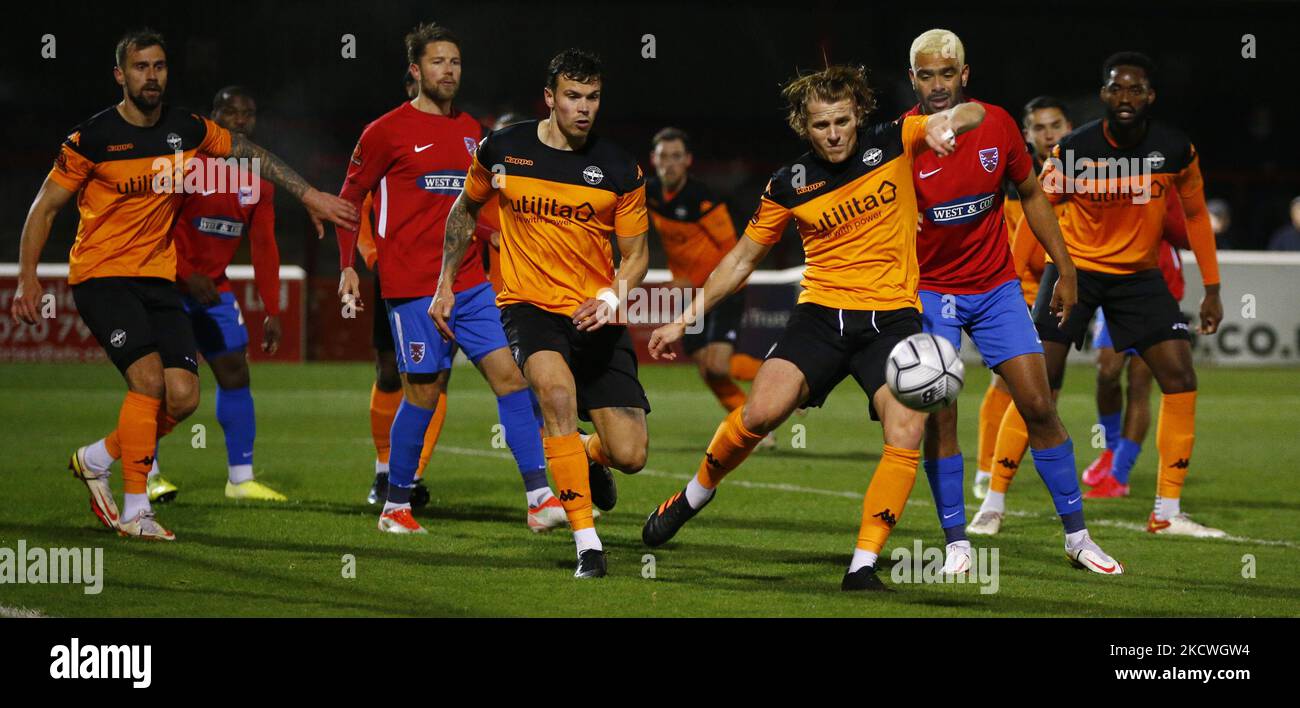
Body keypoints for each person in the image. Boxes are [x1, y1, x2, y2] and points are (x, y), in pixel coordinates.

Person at [641, 63, 989, 592]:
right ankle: (694, 494)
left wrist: (948, 124)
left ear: (858, 117)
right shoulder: (790, 183)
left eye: (842, 122)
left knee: (907, 428)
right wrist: (687, 316)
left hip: (891, 319)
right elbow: (740, 260)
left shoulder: (894, 140)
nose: (833, 134)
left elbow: (972, 110)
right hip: (821, 315)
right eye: (821, 125)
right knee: (760, 412)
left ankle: (863, 565)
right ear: (805, 127)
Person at [13, 29, 356, 540]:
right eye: (140, 67)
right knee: (148, 382)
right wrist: (27, 279)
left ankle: (97, 457)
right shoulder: (92, 138)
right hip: (103, 276)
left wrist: (308, 195)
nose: (151, 76)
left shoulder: (187, 130)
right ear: (120, 75)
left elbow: (248, 151)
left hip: (157, 277)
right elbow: (44, 209)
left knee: (183, 396)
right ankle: (135, 511)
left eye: (159, 66)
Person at [904, 30, 1121, 574]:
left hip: (996, 289)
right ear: (913, 80)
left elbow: (1031, 193)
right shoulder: (903, 140)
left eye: (946, 74)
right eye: (926, 75)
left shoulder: (998, 124)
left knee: (1040, 406)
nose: (936, 85)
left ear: (964, 74)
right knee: (941, 415)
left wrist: (1065, 268)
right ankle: (956, 542)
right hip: (932, 293)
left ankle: (1077, 538)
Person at [335, 23, 561, 535]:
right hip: (412, 284)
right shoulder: (383, 132)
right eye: (438, 62)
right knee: (424, 390)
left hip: (469, 281)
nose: (449, 71)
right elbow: (349, 200)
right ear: (415, 70)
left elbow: (460, 206)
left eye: (455, 62)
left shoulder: (471, 130)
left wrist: (494, 233)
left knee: (511, 378)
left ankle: (540, 496)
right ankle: (395, 506)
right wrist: (348, 264)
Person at [433, 48, 652, 578]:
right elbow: (464, 210)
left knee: (630, 454)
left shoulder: (620, 168)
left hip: (594, 315)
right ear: (550, 98)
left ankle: (585, 452)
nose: (584, 107)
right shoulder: (503, 149)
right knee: (555, 395)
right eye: (573, 96)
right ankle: (588, 545)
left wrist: (610, 298)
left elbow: (638, 255)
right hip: (528, 307)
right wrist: (445, 285)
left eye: (593, 97)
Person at [1034, 52, 1226, 538]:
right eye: (1116, 89)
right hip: (1076, 270)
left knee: (1180, 376)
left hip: (1139, 277)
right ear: (1102, 94)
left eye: (1135, 89)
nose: (1125, 98)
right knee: (1036, 381)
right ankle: (993, 503)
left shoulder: (1175, 147)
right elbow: (1038, 206)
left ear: (1150, 97)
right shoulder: (1073, 150)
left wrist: (1213, 288)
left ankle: (1166, 512)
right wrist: (1032, 271)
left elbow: (1198, 216)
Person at [154, 85, 288, 504]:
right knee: (164, 386)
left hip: (215, 290)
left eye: (249, 113)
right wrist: (186, 273)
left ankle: (240, 479)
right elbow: (151, 228)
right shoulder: (187, 164)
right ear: (214, 118)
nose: (243, 120)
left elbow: (265, 245)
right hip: (165, 286)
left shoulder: (258, 177)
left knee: (235, 373)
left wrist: (271, 307)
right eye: (232, 112)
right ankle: (146, 473)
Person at [970, 95, 1072, 501]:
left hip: (1056, 293)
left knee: (1045, 395)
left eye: (1057, 125)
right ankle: (986, 472)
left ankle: (999, 474)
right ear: (1026, 135)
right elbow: (1019, 249)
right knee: (1008, 387)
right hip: (1019, 295)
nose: (1050, 135)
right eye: (1040, 128)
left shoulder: (1078, 173)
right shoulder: (1016, 181)